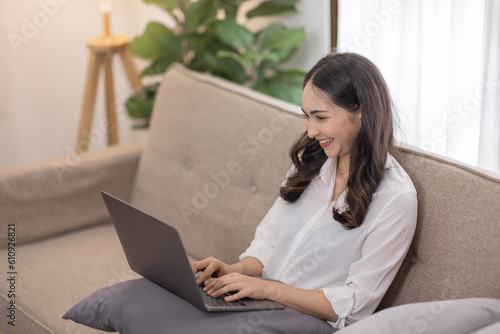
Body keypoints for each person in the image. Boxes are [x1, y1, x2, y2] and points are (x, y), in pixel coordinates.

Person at [191, 52, 418, 329]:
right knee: (156, 298)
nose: (310, 131)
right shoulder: (312, 162)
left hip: (308, 322)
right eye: (307, 117)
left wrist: (267, 290)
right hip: (263, 302)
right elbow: (268, 245)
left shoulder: (395, 199)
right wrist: (231, 271)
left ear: (360, 112)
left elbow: (355, 304)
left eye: (320, 117)